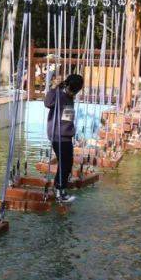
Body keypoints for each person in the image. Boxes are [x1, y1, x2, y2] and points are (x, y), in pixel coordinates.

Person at [44, 72, 83, 203]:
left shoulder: (68, 96)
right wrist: (54, 87)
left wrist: (72, 132)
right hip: (58, 135)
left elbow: (67, 118)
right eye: (74, 91)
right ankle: (60, 191)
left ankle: (58, 186)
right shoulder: (59, 94)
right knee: (66, 163)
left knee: (67, 162)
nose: (74, 93)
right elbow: (47, 102)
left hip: (65, 135)